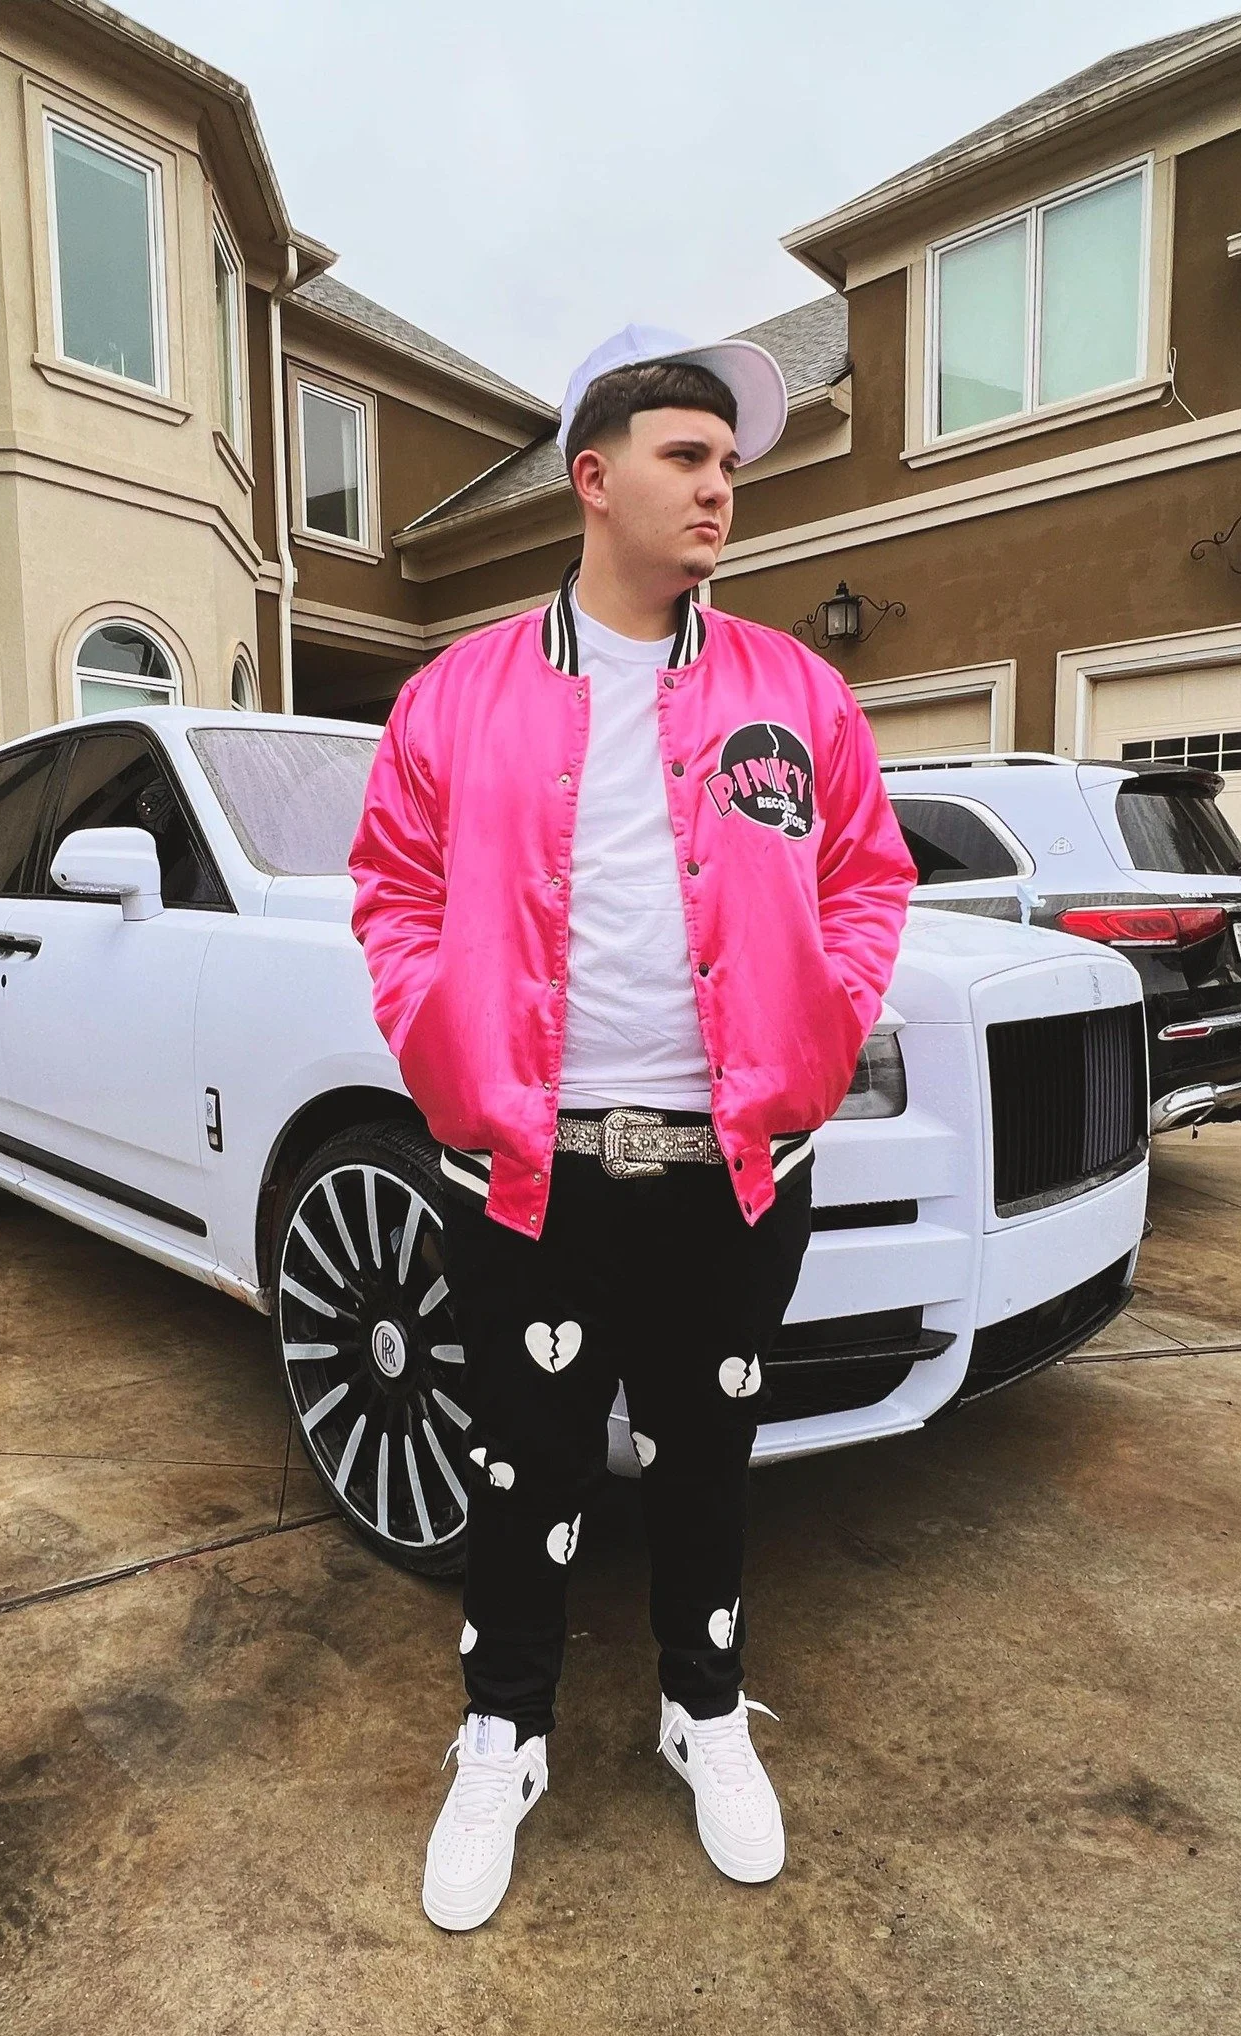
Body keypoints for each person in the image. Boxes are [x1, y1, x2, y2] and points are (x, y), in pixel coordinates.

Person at [347, 325, 917, 1932]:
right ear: (592, 482)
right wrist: (436, 1037)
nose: (721, 489)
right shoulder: (456, 695)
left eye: (731, 464)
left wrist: (828, 1022)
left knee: (708, 1456)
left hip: (734, 1167)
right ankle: (502, 1733)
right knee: (523, 1464)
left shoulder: (794, 692)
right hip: (529, 1170)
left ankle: (704, 1709)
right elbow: (391, 891)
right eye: (689, 457)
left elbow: (867, 880)